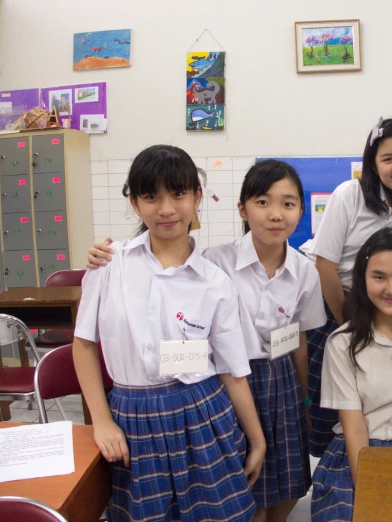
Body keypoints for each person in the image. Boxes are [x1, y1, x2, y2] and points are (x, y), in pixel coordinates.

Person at [86, 159, 327, 522]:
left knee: (287, 476)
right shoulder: (215, 264)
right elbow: (89, 343)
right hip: (217, 383)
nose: (275, 214)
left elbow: (300, 337)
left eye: (288, 204)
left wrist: (305, 398)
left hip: (272, 380)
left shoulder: (301, 270)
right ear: (242, 208)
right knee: (238, 486)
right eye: (262, 202)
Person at [73, 145, 265, 522]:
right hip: (133, 417)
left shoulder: (215, 282)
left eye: (178, 194)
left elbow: (231, 372)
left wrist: (256, 440)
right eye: (151, 197)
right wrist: (101, 420)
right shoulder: (109, 264)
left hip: (203, 412)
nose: (166, 209)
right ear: (133, 202)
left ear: (196, 198)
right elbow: (83, 345)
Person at [301, 116, 392, 456]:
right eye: (388, 158)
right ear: (372, 163)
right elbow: (325, 264)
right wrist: (347, 323)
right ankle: (334, 459)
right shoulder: (349, 195)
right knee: (332, 393)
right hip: (335, 295)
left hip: (388, 299)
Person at [311, 228, 392, 522]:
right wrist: (371, 493)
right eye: (379, 277)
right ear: (362, 279)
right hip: (359, 456)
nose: (391, 288)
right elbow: (354, 428)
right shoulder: (343, 343)